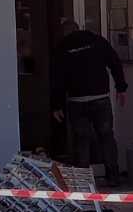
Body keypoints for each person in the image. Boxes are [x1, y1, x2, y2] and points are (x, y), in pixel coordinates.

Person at [51, 19, 128, 184]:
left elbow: (57, 79)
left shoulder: (62, 47)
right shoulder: (97, 40)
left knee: (81, 140)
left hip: (76, 101)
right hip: (100, 98)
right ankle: (113, 177)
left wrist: (56, 105)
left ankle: (83, 182)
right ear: (79, 28)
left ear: (65, 32)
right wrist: (121, 87)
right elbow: (114, 62)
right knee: (106, 137)